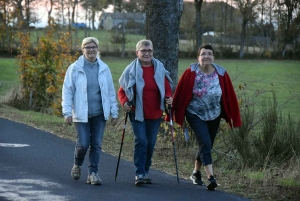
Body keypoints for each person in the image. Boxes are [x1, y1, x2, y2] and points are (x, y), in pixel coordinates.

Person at [171, 44, 241, 190]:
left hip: (214, 114)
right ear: (198, 58)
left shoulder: (221, 73)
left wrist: (234, 116)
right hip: (195, 113)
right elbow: (180, 93)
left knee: (206, 144)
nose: (206, 56)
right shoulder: (190, 72)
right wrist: (176, 112)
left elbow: (230, 95)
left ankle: (196, 173)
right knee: (205, 142)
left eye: (209, 54)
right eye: (203, 54)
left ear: (213, 57)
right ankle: (211, 177)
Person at [62, 37, 119, 185]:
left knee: (97, 144)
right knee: (84, 143)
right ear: (82, 50)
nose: (91, 49)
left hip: (99, 114)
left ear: (97, 49)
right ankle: (77, 163)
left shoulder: (104, 68)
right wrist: (67, 112)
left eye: (93, 47)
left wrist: (114, 112)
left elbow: (110, 92)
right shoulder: (74, 68)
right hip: (81, 114)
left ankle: (93, 173)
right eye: (87, 47)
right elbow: (67, 91)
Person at [118, 39, 173, 186]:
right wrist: (124, 103)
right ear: (137, 53)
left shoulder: (159, 68)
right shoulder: (131, 70)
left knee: (150, 144)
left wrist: (168, 97)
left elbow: (167, 88)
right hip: (137, 112)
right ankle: (139, 172)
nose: (147, 53)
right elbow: (122, 91)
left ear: (153, 52)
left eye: (149, 51)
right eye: (144, 51)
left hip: (155, 113)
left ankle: (146, 170)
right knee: (141, 141)